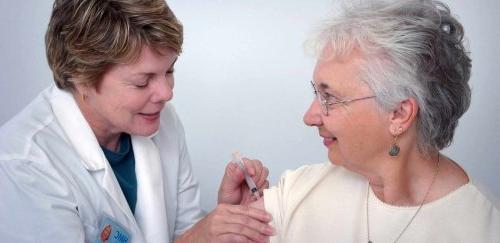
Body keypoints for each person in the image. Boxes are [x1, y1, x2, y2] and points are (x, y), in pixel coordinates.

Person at [0, 0, 274, 242]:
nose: (167, 93)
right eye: (142, 82)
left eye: (169, 70)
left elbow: (186, 230)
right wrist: (198, 238)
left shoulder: (162, 121)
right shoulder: (23, 165)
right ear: (82, 76)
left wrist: (228, 221)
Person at [250, 0, 500, 242]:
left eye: (329, 97)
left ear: (399, 114)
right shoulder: (295, 195)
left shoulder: (485, 229)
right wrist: (215, 230)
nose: (309, 117)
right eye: (316, 93)